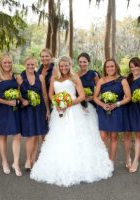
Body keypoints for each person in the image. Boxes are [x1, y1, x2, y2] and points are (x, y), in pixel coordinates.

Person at [30, 56, 113, 187]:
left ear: (70, 65)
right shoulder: (54, 78)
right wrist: (57, 103)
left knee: (75, 136)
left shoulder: (74, 77)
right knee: (58, 137)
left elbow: (81, 96)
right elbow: (51, 94)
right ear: (59, 66)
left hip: (74, 110)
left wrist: (68, 103)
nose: (64, 68)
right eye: (61, 66)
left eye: (66, 65)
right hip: (59, 111)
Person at [0, 53, 22, 176]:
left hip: (14, 110)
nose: (7, 64)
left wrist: (21, 98)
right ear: (1, 64)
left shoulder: (14, 76)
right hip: (1, 110)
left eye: (9, 62)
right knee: (3, 136)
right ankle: (4, 161)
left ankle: (16, 163)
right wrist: (6, 102)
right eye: (5, 63)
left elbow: (18, 92)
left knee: (17, 135)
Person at [93, 58, 131, 162]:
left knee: (114, 137)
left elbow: (128, 97)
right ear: (105, 68)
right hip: (103, 110)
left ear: (116, 67)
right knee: (103, 136)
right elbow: (95, 97)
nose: (110, 68)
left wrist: (117, 104)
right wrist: (102, 105)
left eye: (112, 66)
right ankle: (103, 160)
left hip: (117, 110)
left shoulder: (122, 80)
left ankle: (111, 162)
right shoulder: (101, 80)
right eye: (107, 66)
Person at [17, 57, 50, 171]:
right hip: (27, 109)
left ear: (36, 65)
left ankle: (33, 159)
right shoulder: (20, 78)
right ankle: (27, 160)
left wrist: (47, 110)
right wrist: (22, 100)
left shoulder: (40, 77)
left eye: (33, 64)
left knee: (36, 135)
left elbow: (45, 95)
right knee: (31, 135)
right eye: (28, 64)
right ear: (24, 64)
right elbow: (17, 93)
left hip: (39, 109)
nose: (30, 67)